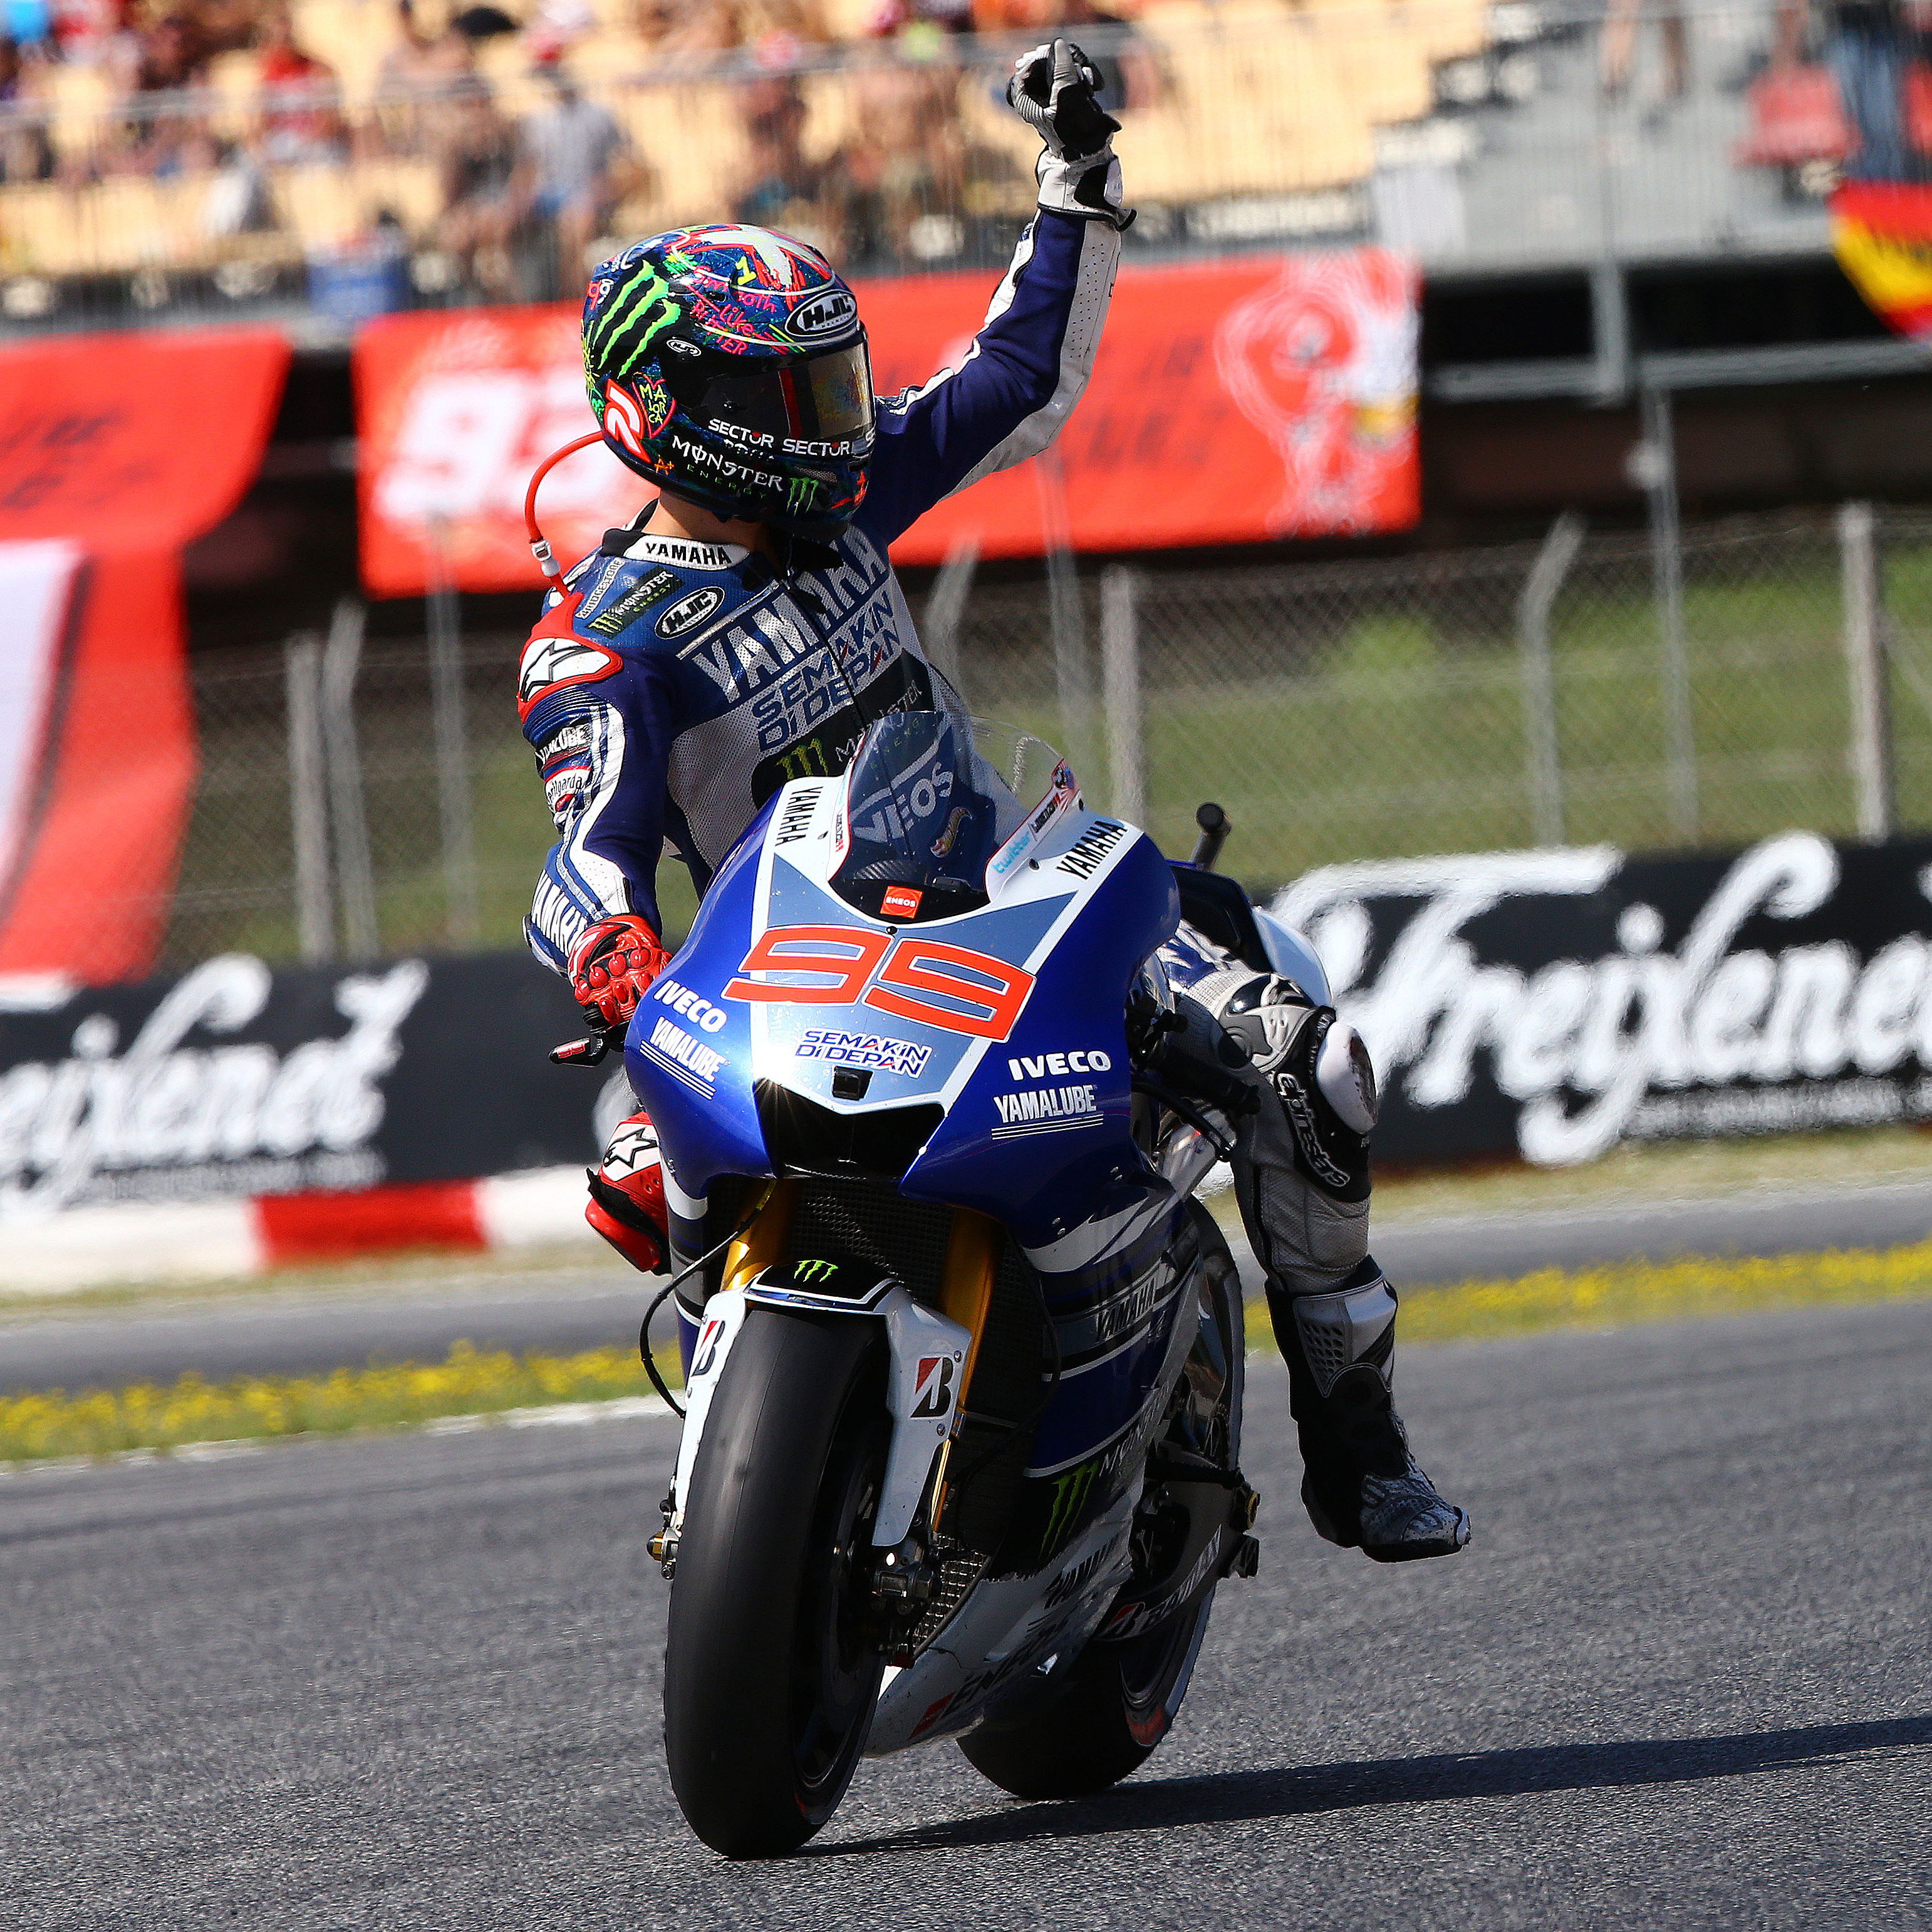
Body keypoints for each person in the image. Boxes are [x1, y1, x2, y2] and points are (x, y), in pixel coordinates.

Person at [516, 40, 1470, 1565]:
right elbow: (586, 853)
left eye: (834, 380)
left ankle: (1360, 1451)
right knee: (648, 1168)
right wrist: (615, 951)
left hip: (1008, 893)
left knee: (1311, 1068)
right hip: (791, 972)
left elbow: (1018, 376)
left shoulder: (839, 507)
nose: (836, 419)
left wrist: (1075, 182)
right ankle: (732, 1469)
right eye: (789, 392)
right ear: (665, 406)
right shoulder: (604, 641)